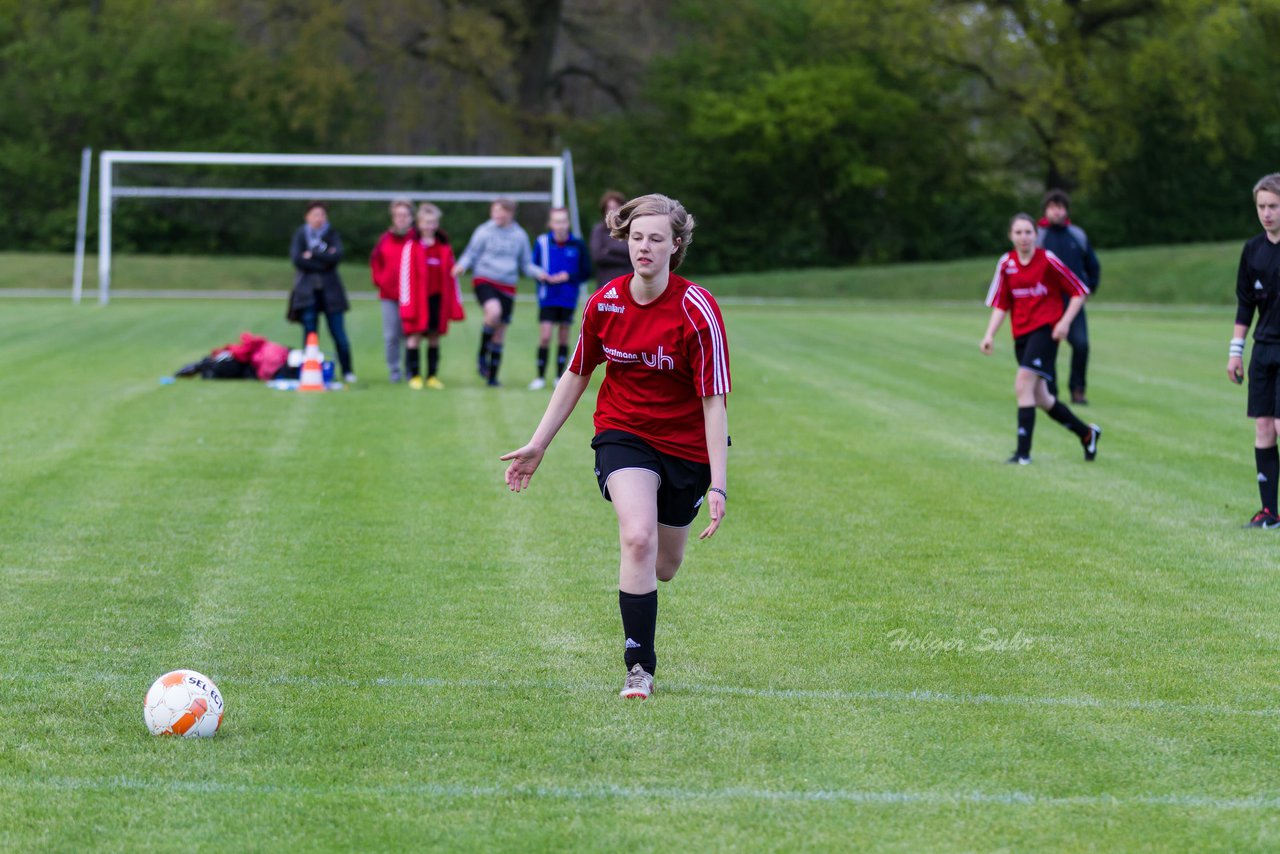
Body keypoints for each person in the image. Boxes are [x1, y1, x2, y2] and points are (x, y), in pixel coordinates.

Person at [501, 193, 731, 700]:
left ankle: (650, 576)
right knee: (637, 538)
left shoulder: (698, 310)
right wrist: (539, 443)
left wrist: (718, 483)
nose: (644, 247)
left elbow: (714, 402)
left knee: (665, 565)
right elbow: (577, 372)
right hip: (623, 434)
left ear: (676, 246)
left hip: (686, 447)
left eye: (656, 239)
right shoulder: (604, 301)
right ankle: (638, 667)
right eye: (637, 238)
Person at [980, 213, 1100, 464]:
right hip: (1021, 335)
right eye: (1018, 233)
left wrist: (1064, 323)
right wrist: (989, 334)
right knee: (1042, 398)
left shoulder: (1047, 261)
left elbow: (1079, 291)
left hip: (1046, 331)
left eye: (1028, 232)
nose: (1023, 238)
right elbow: (1002, 304)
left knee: (1022, 384)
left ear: (1036, 235)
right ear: (1010, 236)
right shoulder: (1006, 264)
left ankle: (1023, 454)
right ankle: (1087, 434)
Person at [1227, 174, 1280, 528]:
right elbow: (1246, 305)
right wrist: (1235, 352)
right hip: (1264, 351)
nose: (1267, 213)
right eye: (1261, 206)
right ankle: (1269, 513)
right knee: (1263, 428)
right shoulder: (1253, 250)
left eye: (1273, 206)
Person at [451, 198, 545, 387]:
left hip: (508, 285)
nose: (498, 215)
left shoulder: (519, 235)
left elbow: (525, 264)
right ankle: (481, 355)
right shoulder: (484, 231)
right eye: (495, 211)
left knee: (500, 332)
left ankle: (492, 377)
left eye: (502, 211)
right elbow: (471, 253)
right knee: (493, 313)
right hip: (484, 279)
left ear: (511, 213)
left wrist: (541, 274)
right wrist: (461, 265)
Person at [1037, 189, 1101, 404]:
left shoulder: (1077, 235)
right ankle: (1050, 393)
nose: (1057, 212)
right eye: (1053, 207)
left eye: (1061, 207)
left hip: (1073, 301)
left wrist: (1089, 287)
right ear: (1046, 210)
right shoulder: (1038, 236)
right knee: (1048, 346)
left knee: (1081, 344)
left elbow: (1092, 264)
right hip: (1046, 301)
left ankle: (1078, 389)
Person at [287, 201, 355, 382]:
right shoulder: (301, 234)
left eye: (322, 215)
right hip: (308, 292)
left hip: (331, 292)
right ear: (307, 216)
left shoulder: (332, 234)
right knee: (310, 333)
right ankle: (308, 370)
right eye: (315, 214)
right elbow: (297, 259)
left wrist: (312, 254)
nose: (319, 218)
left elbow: (335, 257)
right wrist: (322, 258)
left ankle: (347, 371)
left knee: (338, 333)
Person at [402, 203, 465, 390]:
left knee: (434, 337)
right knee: (414, 337)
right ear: (419, 223)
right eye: (426, 222)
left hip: (437, 299)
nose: (430, 226)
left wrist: (455, 303)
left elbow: (451, 277)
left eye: (433, 222)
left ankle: (431, 375)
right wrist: (407, 304)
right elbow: (405, 277)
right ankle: (414, 375)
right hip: (417, 301)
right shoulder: (411, 246)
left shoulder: (444, 247)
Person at [528, 207, 592, 390]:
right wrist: (542, 276)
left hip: (568, 297)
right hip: (548, 297)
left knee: (563, 337)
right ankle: (539, 377)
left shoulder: (577, 244)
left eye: (563, 221)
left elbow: (586, 272)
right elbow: (531, 266)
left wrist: (568, 277)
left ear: (568, 223)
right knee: (546, 336)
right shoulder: (542, 242)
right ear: (551, 224)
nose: (560, 226)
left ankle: (558, 376)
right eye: (556, 222)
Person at [369, 198, 415, 383]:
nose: (401, 219)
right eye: (398, 215)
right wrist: (381, 281)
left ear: (411, 217)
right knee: (391, 335)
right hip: (389, 295)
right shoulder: (385, 239)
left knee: (410, 334)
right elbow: (375, 262)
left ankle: (411, 369)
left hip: (411, 296)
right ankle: (394, 370)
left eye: (405, 215)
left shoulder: (417, 239)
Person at [590, 190, 631, 288]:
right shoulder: (599, 230)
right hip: (606, 284)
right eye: (609, 208)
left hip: (627, 282)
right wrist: (624, 258)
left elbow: (633, 252)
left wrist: (609, 250)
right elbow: (598, 256)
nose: (613, 212)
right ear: (604, 210)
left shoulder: (629, 229)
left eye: (616, 208)